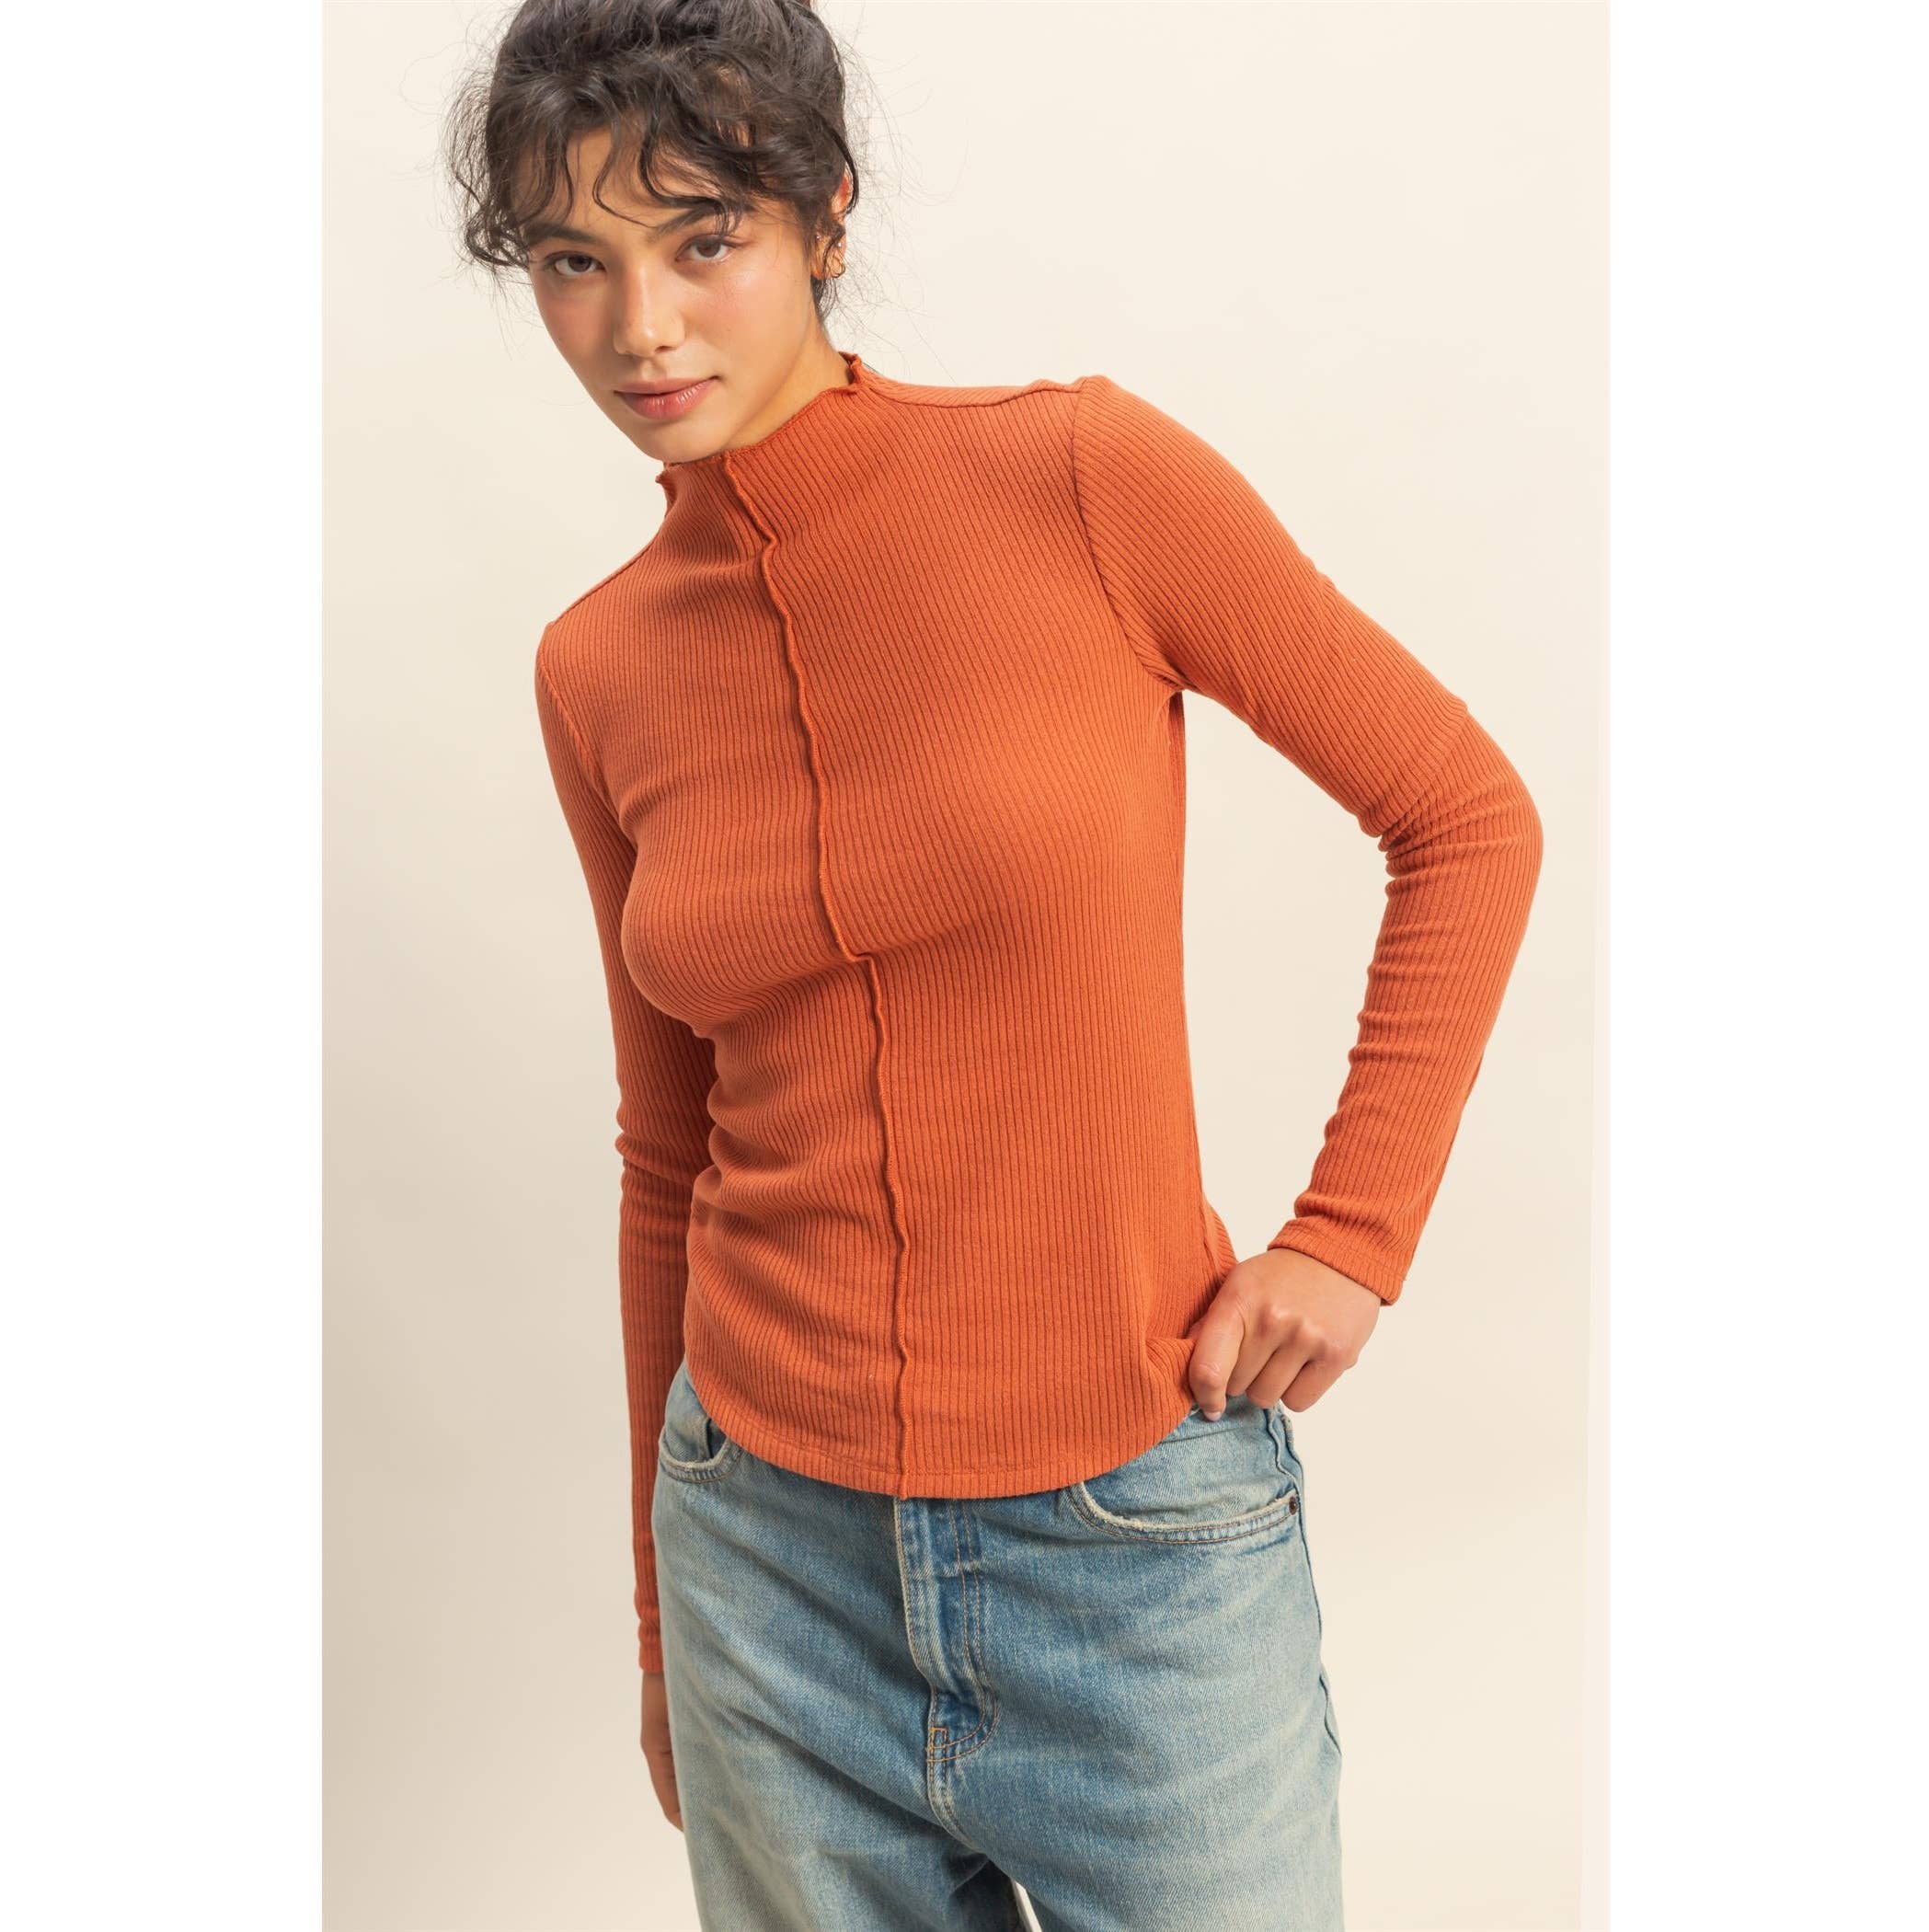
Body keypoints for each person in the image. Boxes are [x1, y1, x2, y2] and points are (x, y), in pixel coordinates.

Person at [446, 4, 1543, 1926]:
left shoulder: (1084, 480)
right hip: (760, 1563)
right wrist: (660, 1630)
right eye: (572, 262)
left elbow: (1463, 814)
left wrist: (1353, 1233)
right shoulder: (595, 668)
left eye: (704, 238)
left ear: (825, 218)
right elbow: (667, 1154)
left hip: (1130, 1543)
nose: (643, 329)